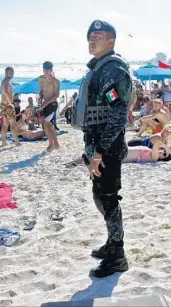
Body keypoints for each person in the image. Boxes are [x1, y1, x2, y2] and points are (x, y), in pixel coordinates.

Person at [71, 19, 131, 278]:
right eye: (90, 37)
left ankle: (118, 256)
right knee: (101, 196)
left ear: (111, 41)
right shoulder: (98, 69)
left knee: (107, 198)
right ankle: (111, 243)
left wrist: (99, 153)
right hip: (96, 143)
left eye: (98, 36)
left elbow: (118, 114)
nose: (92, 40)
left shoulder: (112, 69)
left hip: (106, 146)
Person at [39, 61, 60, 152]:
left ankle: (51, 144)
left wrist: (46, 103)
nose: (47, 71)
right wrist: (40, 97)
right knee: (50, 125)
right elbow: (41, 91)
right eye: (45, 69)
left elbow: (56, 95)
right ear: (43, 69)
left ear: (51, 69)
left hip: (52, 104)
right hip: (44, 104)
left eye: (49, 69)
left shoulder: (56, 81)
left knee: (45, 123)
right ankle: (56, 144)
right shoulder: (40, 79)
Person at [0, 67, 21, 147]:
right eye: (10, 73)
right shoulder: (6, 81)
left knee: (5, 124)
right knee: (12, 124)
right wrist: (10, 103)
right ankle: (17, 142)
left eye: (12, 73)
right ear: (6, 73)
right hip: (8, 105)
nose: (11, 74)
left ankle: (3, 142)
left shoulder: (5, 81)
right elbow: (5, 92)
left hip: (4, 105)